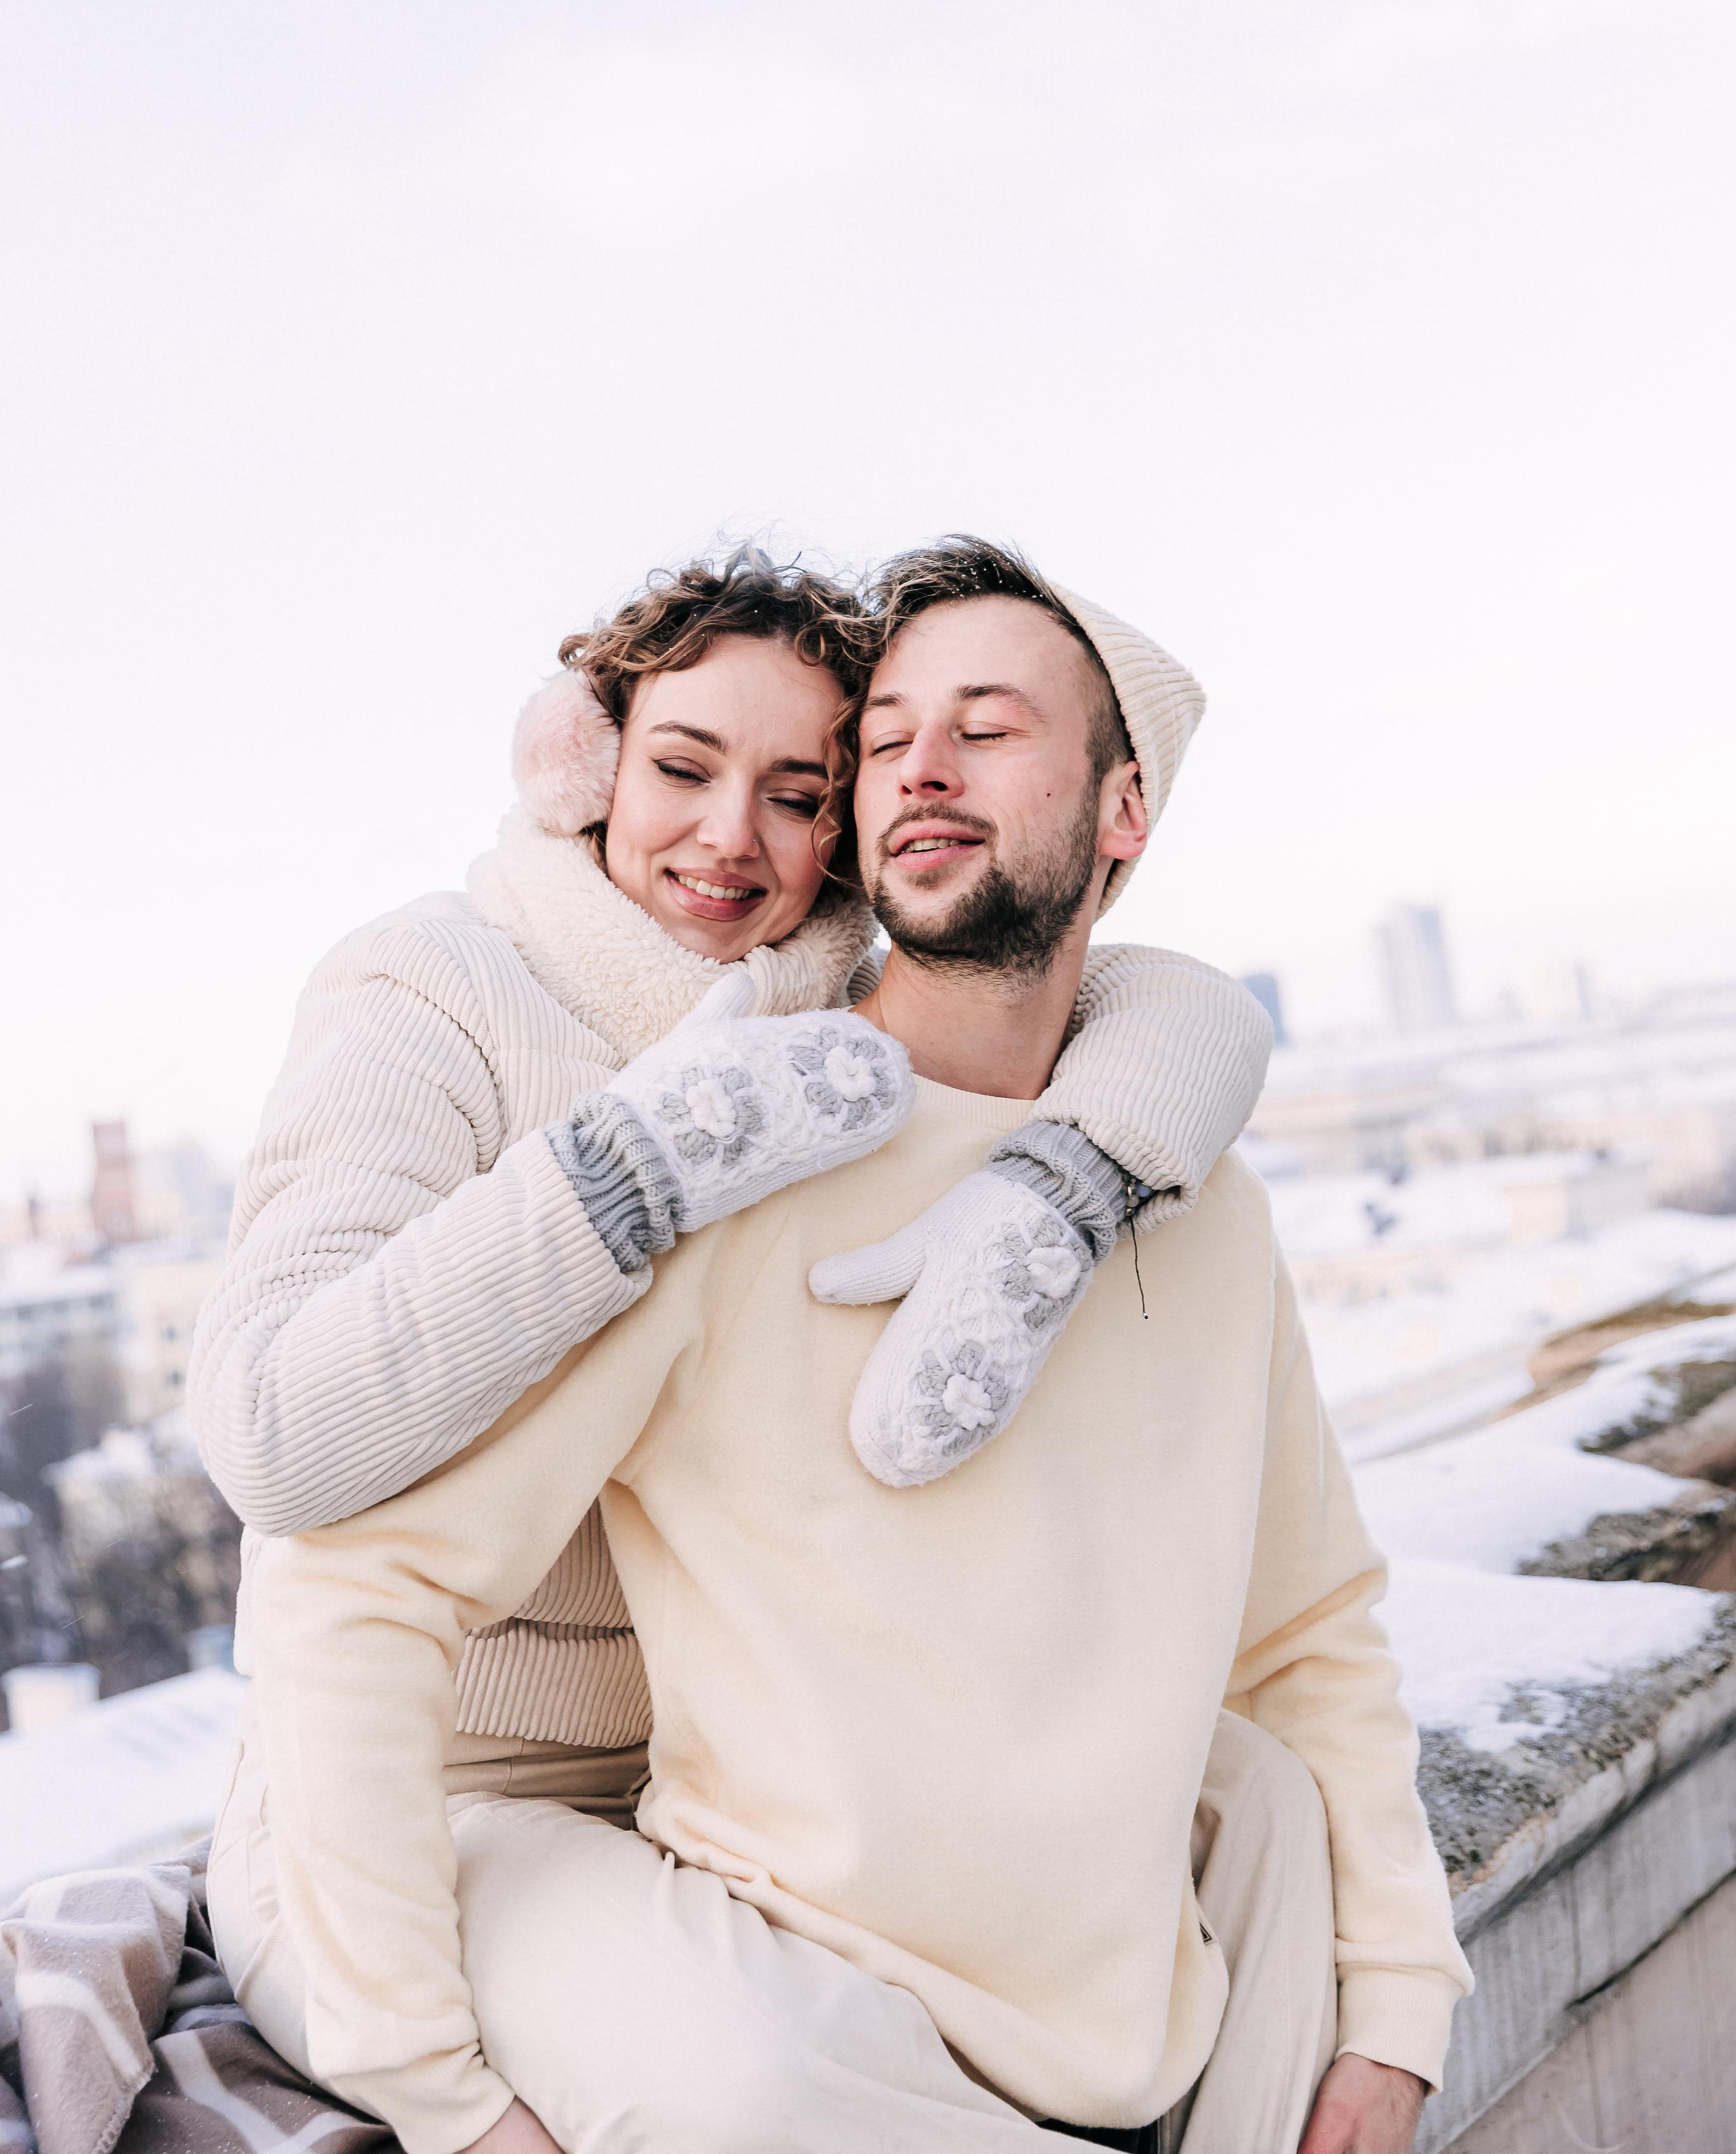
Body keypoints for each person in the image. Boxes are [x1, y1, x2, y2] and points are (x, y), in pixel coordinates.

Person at [203, 538, 1469, 2154]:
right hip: (428, 1777)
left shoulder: (844, 1072)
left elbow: (1128, 1006)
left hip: (700, 1766)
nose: (733, 835)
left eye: (808, 787)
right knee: (762, 2074)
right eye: (681, 766)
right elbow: (291, 1476)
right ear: (583, 768)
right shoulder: (471, 1019)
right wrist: (622, 1175)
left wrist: (1092, 1165)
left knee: (1259, 1802)